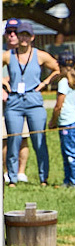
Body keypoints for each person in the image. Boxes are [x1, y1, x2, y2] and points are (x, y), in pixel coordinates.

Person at [2, 20, 59, 187]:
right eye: (21, 35)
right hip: (14, 102)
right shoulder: (8, 55)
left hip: (34, 101)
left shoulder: (40, 55)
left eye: (27, 35)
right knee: (14, 139)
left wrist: (45, 83)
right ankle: (12, 178)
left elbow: (57, 68)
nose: (23, 38)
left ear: (32, 37)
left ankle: (43, 178)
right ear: (17, 37)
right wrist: (3, 82)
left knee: (39, 139)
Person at [48, 51, 75, 187]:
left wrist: (53, 121)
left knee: (70, 152)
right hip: (72, 119)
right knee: (67, 151)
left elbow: (58, 106)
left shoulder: (63, 82)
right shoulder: (74, 79)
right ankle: (67, 180)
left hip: (68, 121)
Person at [3, 18, 30, 183]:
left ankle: (21, 172)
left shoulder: (29, 54)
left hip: (22, 101)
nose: (12, 35)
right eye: (9, 32)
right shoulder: (3, 54)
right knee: (5, 138)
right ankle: (7, 172)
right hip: (4, 102)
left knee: (24, 136)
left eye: (16, 32)